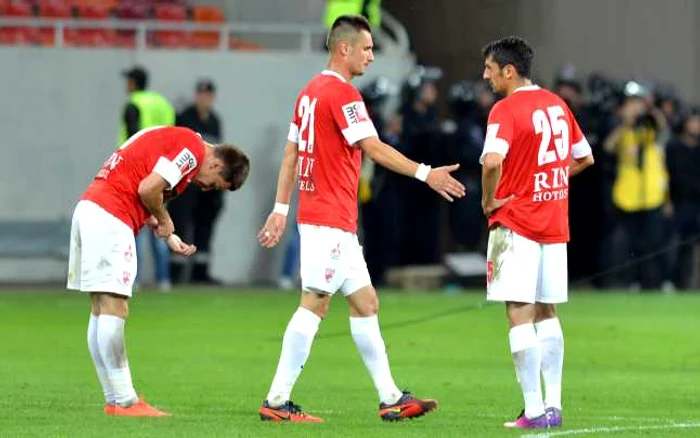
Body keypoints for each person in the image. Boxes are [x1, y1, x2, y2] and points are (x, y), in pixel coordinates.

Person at [256, 14, 465, 423]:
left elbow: (291, 154)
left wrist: (282, 210)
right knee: (314, 304)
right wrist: (426, 173)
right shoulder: (343, 96)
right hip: (328, 218)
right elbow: (374, 147)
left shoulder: (309, 93)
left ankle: (390, 398)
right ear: (344, 48)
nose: (372, 55)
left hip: (331, 220)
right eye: (367, 48)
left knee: (366, 303)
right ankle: (277, 402)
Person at [67, 126, 249, 417]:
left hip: (91, 208)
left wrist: (166, 233)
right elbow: (148, 189)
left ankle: (115, 399)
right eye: (214, 184)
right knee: (115, 307)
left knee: (101, 308)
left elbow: (138, 174)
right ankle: (126, 401)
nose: (205, 188)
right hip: (111, 215)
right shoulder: (191, 151)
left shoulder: (178, 137)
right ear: (216, 164)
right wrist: (166, 219)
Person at [479, 37, 594, 429]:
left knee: (519, 311)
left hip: (517, 222)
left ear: (509, 71)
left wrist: (488, 199)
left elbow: (493, 160)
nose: (486, 76)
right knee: (547, 311)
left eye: (490, 69)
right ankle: (554, 406)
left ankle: (532, 411)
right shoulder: (557, 105)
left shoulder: (505, 109)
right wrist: (547, 179)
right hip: (553, 222)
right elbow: (585, 156)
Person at [121, 66, 177, 291]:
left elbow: (132, 137)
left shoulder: (133, 104)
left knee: (135, 229)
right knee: (161, 223)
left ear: (134, 82)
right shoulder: (162, 103)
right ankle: (164, 279)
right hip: (163, 172)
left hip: (138, 171)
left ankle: (133, 280)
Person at [169, 79, 225, 284]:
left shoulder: (215, 121)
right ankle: (175, 272)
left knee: (205, 227)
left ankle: (200, 273)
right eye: (201, 95)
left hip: (207, 187)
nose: (204, 99)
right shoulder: (184, 118)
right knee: (181, 225)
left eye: (208, 95)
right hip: (187, 183)